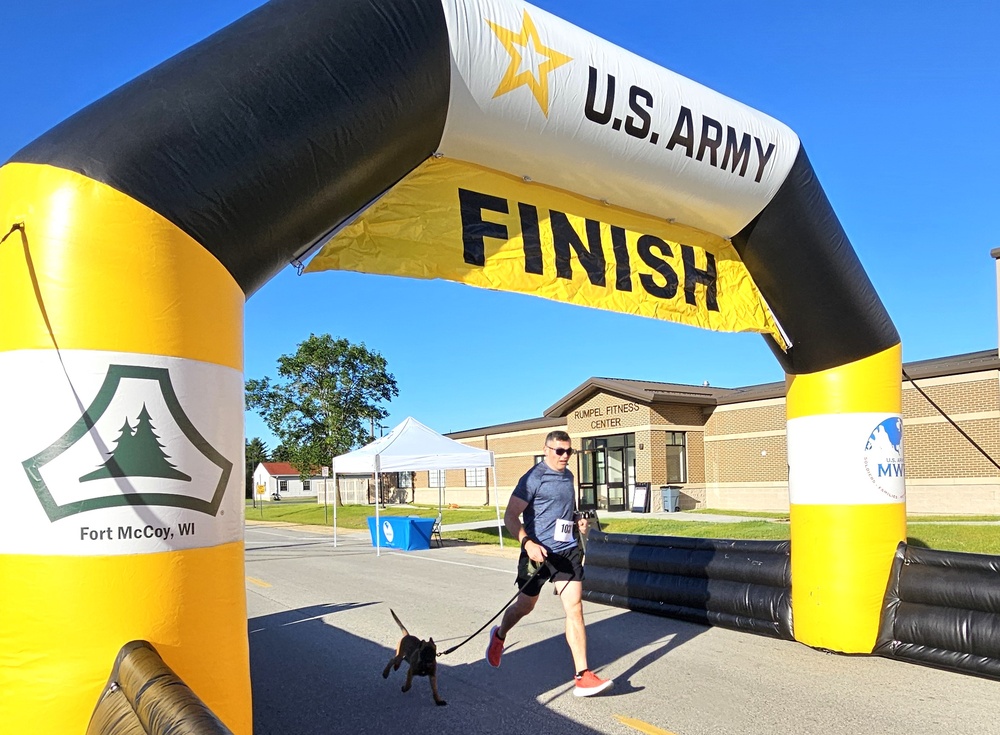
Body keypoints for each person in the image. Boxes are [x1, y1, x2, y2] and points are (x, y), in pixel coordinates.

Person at [485, 430, 613, 697]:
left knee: (575, 608)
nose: (565, 456)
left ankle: (582, 676)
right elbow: (510, 516)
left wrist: (578, 519)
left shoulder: (568, 476)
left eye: (569, 451)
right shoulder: (533, 478)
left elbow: (568, 509)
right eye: (560, 451)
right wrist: (527, 543)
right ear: (546, 450)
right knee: (525, 606)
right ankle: (499, 635)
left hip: (567, 551)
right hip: (537, 552)